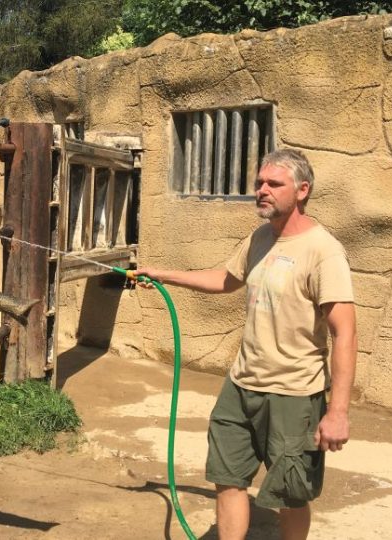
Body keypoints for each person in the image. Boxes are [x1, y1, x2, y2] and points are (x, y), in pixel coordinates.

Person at [134, 148, 357, 540]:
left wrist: (337, 412)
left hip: (293, 393)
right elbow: (226, 279)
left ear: (302, 190)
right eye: (258, 183)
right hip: (240, 386)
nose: (262, 190)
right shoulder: (260, 238)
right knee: (228, 478)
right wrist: (163, 275)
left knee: (291, 493)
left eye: (274, 183)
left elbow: (345, 333)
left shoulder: (324, 252)